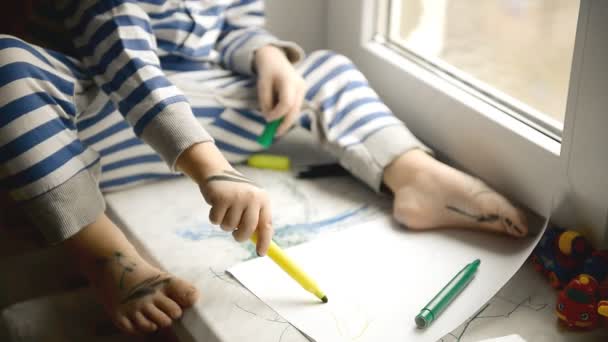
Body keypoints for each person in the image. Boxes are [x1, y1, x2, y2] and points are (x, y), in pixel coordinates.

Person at [0, 0, 528, 335]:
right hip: (94, 119)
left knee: (322, 70)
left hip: (206, 109)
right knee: (8, 67)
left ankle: (412, 174)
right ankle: (106, 258)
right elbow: (128, 69)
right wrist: (213, 169)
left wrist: (266, 56)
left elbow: (235, 26)